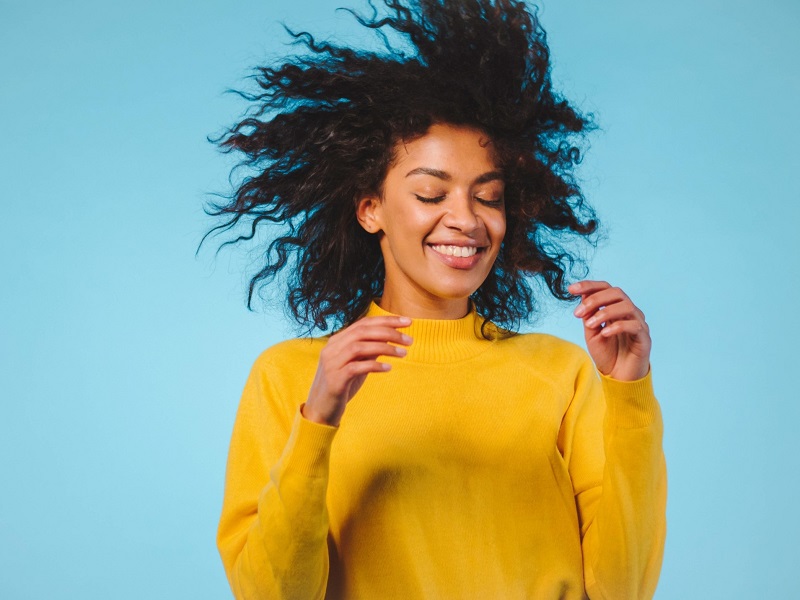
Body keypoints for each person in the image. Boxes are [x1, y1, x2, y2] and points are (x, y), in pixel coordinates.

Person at [209, 1, 667, 598]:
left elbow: (623, 589)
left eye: (489, 196)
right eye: (431, 193)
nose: (466, 220)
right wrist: (318, 420)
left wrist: (629, 394)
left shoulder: (563, 373)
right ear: (370, 208)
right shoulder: (292, 378)